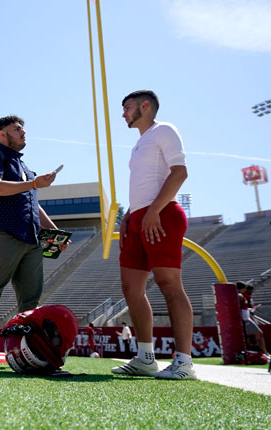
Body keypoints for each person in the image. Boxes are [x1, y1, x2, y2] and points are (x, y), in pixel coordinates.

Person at [111, 90, 195, 380]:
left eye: (127, 107)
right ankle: (146, 358)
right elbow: (145, 183)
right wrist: (129, 216)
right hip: (139, 217)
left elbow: (180, 172)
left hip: (162, 215)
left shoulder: (165, 130)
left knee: (169, 284)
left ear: (145, 106)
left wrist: (152, 211)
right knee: (131, 289)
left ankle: (184, 362)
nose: (123, 113)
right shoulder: (139, 144)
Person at [0, 115, 68, 368]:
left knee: (30, 301)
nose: (23, 132)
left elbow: (33, 205)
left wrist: (55, 231)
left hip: (32, 238)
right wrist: (35, 183)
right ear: (2, 135)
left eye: (23, 128)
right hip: (2, 233)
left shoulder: (27, 168)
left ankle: (25, 353)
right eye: (17, 129)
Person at [237, 281, 270, 357]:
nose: (245, 290)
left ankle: (263, 352)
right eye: (244, 288)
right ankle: (264, 352)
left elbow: (243, 308)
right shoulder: (239, 296)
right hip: (245, 320)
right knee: (259, 333)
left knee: (259, 334)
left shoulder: (241, 295)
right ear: (242, 288)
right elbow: (238, 308)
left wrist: (250, 309)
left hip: (247, 317)